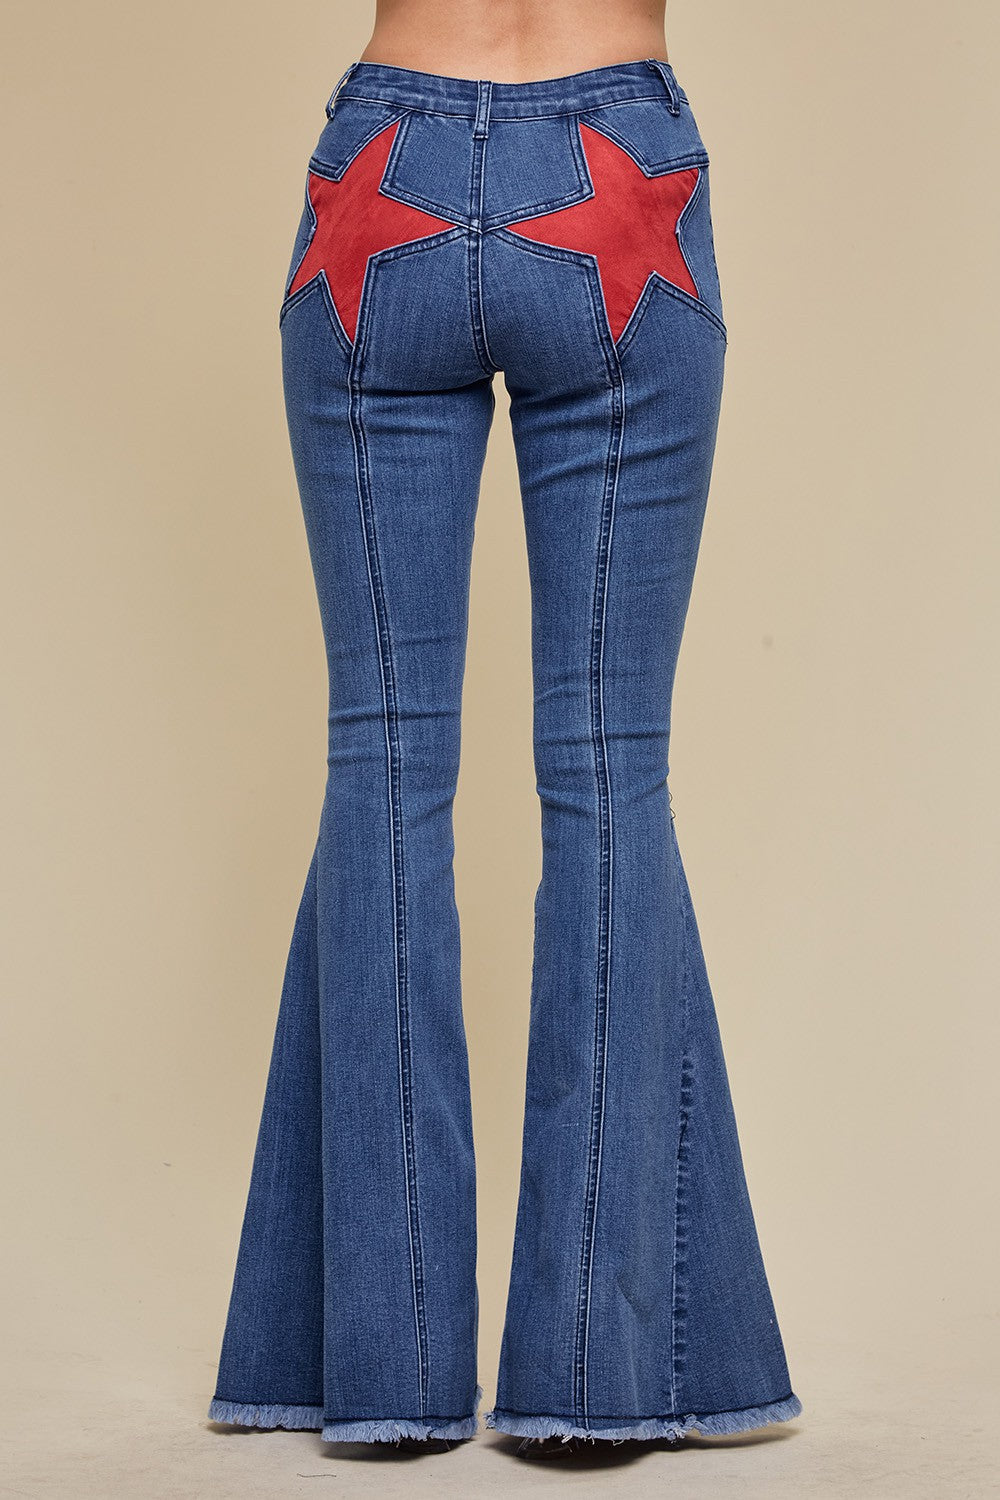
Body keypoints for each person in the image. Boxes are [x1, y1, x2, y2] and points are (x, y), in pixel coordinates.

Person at [206, 0, 803, 1463]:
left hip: (384, 174)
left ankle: (387, 1372)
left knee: (382, 765)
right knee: (610, 773)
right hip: (618, 175)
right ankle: (598, 1372)